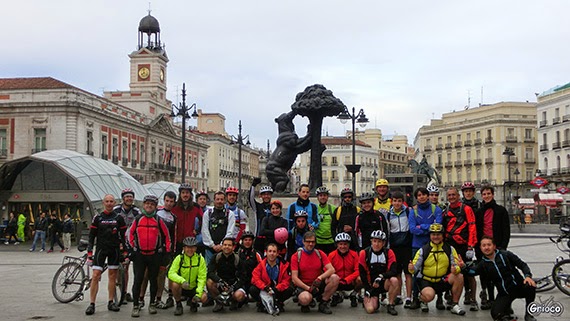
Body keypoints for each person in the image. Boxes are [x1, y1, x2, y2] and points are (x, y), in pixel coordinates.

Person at [461, 236, 537, 321]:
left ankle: (529, 314)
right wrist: (463, 267)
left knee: (531, 286)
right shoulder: (483, 264)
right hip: (504, 292)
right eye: (484, 245)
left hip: (518, 287)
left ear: (494, 246)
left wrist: (527, 276)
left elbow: (522, 265)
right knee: (496, 314)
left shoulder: (506, 255)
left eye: (489, 245)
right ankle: (507, 309)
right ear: (480, 248)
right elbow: (472, 272)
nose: (486, 247)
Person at [128, 194, 172, 317]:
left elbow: (167, 237)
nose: (149, 206)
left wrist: (166, 252)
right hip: (140, 255)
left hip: (154, 255)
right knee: (138, 280)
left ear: (155, 206)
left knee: (154, 281)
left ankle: (152, 303)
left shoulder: (158, 220)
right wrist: (132, 248)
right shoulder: (137, 219)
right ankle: (136, 305)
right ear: (143, 205)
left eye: (152, 204)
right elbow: (130, 234)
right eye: (147, 203)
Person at [408, 223, 466, 315]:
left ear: (442, 236)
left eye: (438, 234)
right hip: (426, 280)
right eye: (433, 234)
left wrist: (458, 268)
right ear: (430, 236)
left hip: (442, 280)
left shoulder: (449, 249)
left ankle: (454, 304)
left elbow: (456, 265)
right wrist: (411, 268)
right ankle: (422, 299)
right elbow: (414, 270)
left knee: (459, 277)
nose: (436, 237)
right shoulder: (423, 250)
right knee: (429, 296)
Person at [85, 194, 127, 315]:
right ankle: (92, 304)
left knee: (112, 275)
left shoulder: (119, 218)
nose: (109, 203)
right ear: (104, 203)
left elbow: (123, 236)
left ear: (115, 203)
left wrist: (124, 250)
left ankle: (110, 302)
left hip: (114, 249)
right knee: (96, 275)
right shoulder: (97, 217)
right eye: (107, 201)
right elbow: (92, 236)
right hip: (101, 250)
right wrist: (89, 252)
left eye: (111, 201)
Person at [475, 185, 511, 311]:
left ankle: (501, 298)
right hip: (483, 247)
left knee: (500, 272)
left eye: (488, 193)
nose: (486, 196)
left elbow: (506, 230)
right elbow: (477, 230)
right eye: (484, 194)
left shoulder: (501, 210)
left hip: (497, 246)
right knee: (485, 273)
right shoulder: (479, 212)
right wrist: (477, 246)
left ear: (493, 194)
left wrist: (503, 247)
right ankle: (488, 297)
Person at [442, 187, 478, 311]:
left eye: (453, 195)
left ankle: (473, 298)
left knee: (469, 272)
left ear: (458, 196)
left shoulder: (466, 209)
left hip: (463, 245)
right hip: (450, 246)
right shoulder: (445, 210)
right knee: (451, 271)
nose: (451, 197)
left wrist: (471, 245)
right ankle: (451, 297)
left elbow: (472, 227)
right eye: (449, 195)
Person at [408, 188, 443, 309]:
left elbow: (437, 227)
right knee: (416, 273)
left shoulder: (436, 209)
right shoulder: (413, 211)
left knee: (438, 271)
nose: (421, 197)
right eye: (419, 195)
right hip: (417, 246)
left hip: (433, 245)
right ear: (416, 198)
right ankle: (416, 298)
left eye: (424, 195)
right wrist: (428, 228)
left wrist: (421, 226)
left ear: (427, 196)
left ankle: (440, 299)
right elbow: (412, 229)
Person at [291, 231, 339, 314]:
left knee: (335, 278)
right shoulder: (296, 256)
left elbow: (331, 269)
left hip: (317, 284)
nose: (310, 244)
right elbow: (294, 278)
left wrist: (320, 278)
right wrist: (308, 288)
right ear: (303, 242)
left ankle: (323, 303)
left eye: (313, 242)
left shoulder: (320, 253)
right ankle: (306, 303)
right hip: (304, 286)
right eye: (308, 241)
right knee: (305, 299)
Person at [358, 230, 399, 315]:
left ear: (383, 243)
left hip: (384, 283)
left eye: (379, 242)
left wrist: (381, 276)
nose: (376, 244)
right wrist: (368, 289)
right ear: (371, 241)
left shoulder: (389, 253)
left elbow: (394, 271)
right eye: (374, 241)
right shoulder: (364, 253)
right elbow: (362, 273)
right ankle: (370, 300)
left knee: (394, 280)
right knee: (370, 310)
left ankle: (390, 304)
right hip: (371, 285)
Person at [113, 188, 142, 303]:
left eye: (131, 196)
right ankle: (120, 291)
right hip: (117, 242)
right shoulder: (116, 210)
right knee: (117, 268)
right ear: (123, 198)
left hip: (130, 243)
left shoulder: (136, 211)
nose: (129, 198)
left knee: (126, 268)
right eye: (127, 197)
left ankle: (124, 292)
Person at [386, 191, 413, 308]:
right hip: (394, 247)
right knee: (397, 273)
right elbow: (388, 230)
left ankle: (408, 297)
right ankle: (398, 296)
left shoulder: (408, 212)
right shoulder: (388, 215)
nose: (397, 203)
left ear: (403, 202)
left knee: (408, 273)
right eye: (395, 201)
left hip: (406, 246)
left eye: (399, 201)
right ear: (392, 202)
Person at [168, 236, 208, 315]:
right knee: (175, 284)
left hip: (193, 287)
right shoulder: (179, 258)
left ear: (196, 248)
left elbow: (202, 277)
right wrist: (182, 281)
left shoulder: (200, 259)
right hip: (182, 286)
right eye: (187, 247)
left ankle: (193, 302)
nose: (190, 250)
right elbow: (171, 273)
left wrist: (198, 293)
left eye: (192, 247)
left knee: (204, 297)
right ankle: (179, 305)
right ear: (184, 248)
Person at [206, 237, 247, 312]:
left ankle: (234, 301)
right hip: (220, 284)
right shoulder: (216, 257)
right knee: (209, 282)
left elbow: (243, 276)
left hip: (233, 284)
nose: (227, 247)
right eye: (225, 245)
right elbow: (210, 272)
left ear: (233, 247)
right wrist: (219, 281)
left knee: (239, 295)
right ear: (222, 246)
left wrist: (234, 287)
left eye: (229, 245)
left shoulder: (237, 259)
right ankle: (219, 303)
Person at [251, 243, 294, 314]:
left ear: (277, 253)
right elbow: (255, 278)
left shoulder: (284, 265)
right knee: (252, 289)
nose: (272, 254)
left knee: (290, 289)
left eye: (274, 252)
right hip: (264, 289)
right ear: (266, 253)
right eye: (270, 251)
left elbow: (286, 281)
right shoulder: (260, 264)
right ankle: (261, 303)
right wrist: (264, 287)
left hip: (277, 290)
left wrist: (276, 289)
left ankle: (278, 302)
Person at [154, 191, 177, 309]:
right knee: (147, 275)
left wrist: (171, 251)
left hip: (165, 250)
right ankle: (142, 299)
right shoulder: (156, 212)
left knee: (162, 275)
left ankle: (158, 298)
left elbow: (173, 235)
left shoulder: (173, 217)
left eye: (171, 202)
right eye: (167, 201)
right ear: (164, 200)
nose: (168, 203)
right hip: (152, 249)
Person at [327, 232, 362, 307]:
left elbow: (358, 270)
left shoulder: (354, 255)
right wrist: (337, 278)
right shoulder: (331, 255)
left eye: (345, 244)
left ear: (349, 245)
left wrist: (347, 279)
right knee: (327, 278)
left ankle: (353, 295)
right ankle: (335, 295)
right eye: (340, 244)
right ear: (337, 245)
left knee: (361, 278)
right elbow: (326, 270)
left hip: (350, 281)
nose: (343, 246)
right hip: (337, 281)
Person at [202, 191, 236, 264]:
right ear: (214, 200)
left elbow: (230, 231)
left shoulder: (230, 214)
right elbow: (204, 230)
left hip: (224, 249)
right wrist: (212, 245)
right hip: (210, 248)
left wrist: (222, 245)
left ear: (225, 200)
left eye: (221, 199)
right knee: (208, 270)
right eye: (217, 199)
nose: (219, 201)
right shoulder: (208, 213)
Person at [172, 183, 202, 254]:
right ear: (180, 194)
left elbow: (203, 220)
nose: (185, 195)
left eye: (187, 193)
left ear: (190, 194)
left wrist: (197, 231)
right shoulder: (174, 207)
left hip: (190, 240)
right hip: (177, 240)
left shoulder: (196, 207)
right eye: (183, 193)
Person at [249, 177, 273, 253]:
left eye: (268, 194)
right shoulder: (258, 207)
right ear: (261, 196)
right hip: (259, 238)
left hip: (271, 238)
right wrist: (253, 185)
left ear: (271, 196)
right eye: (264, 194)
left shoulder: (274, 208)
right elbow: (250, 199)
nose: (266, 196)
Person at [237, 230, 262, 303]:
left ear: (252, 241)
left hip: (253, 281)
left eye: (250, 240)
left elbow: (262, 268)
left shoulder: (257, 254)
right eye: (245, 240)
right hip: (242, 280)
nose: (247, 242)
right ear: (242, 241)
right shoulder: (238, 253)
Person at [315, 186, 336, 254]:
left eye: (324, 195)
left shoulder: (333, 208)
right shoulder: (314, 209)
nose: (323, 197)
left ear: (327, 197)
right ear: (317, 197)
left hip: (331, 242)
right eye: (320, 195)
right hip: (318, 242)